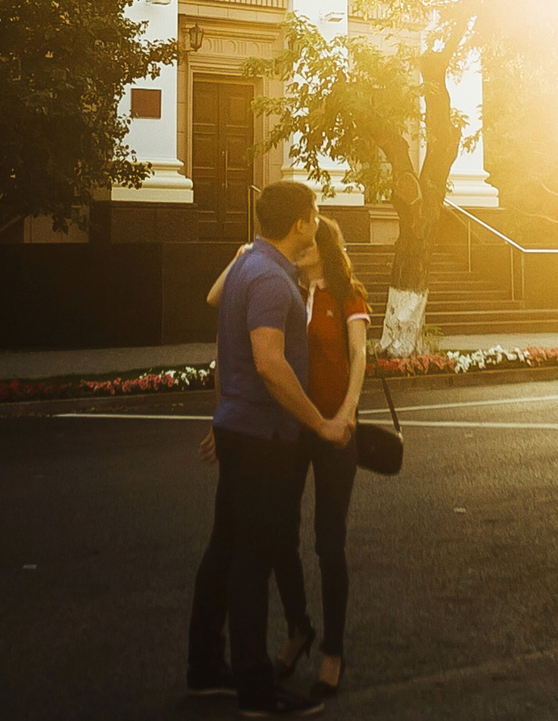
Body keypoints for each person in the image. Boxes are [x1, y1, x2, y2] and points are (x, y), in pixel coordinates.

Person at [187, 180, 350, 717]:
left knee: (224, 550)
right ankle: (256, 687)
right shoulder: (272, 282)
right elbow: (269, 362)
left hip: (240, 428)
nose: (318, 219)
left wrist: (223, 411)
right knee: (251, 561)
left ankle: (207, 667)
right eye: (316, 212)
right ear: (301, 223)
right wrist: (321, 424)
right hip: (261, 438)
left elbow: (222, 351)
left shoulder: (245, 268)